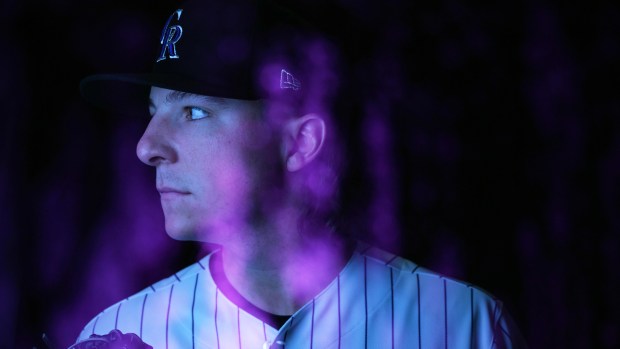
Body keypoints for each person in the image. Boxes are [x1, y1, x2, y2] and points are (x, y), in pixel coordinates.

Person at [73, 0, 527, 348]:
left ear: (299, 142)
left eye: (194, 111)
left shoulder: (463, 325)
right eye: (152, 111)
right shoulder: (123, 333)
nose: (147, 146)